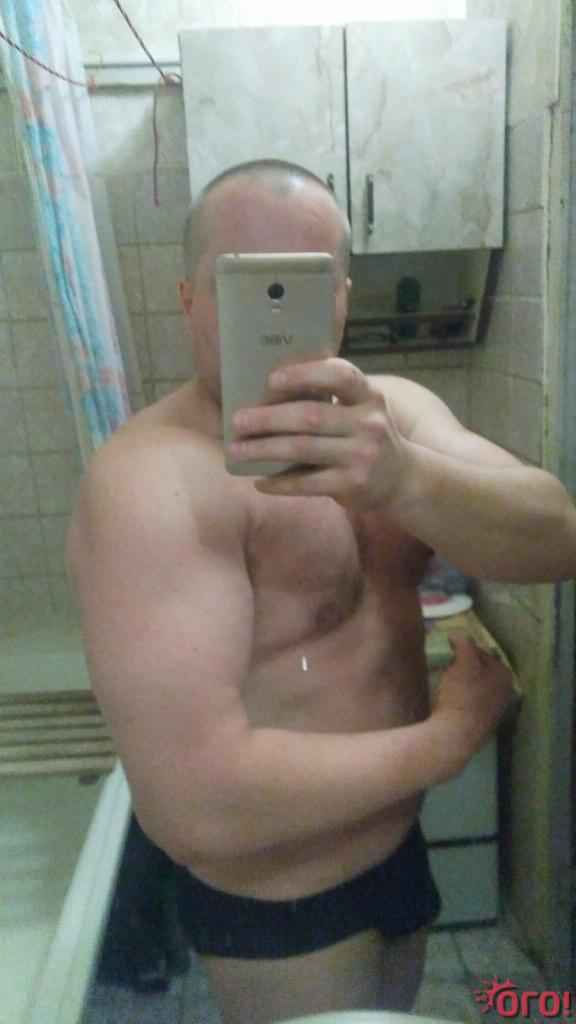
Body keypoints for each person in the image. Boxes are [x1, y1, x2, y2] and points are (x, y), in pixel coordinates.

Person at [66, 159, 576, 1024]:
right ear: (189, 298)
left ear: (339, 295)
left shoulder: (395, 416)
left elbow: (556, 535)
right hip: (281, 903)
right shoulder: (147, 483)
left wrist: (405, 479)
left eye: (299, 280)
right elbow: (195, 805)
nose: (268, 308)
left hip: (398, 849)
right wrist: (448, 739)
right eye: (240, 281)